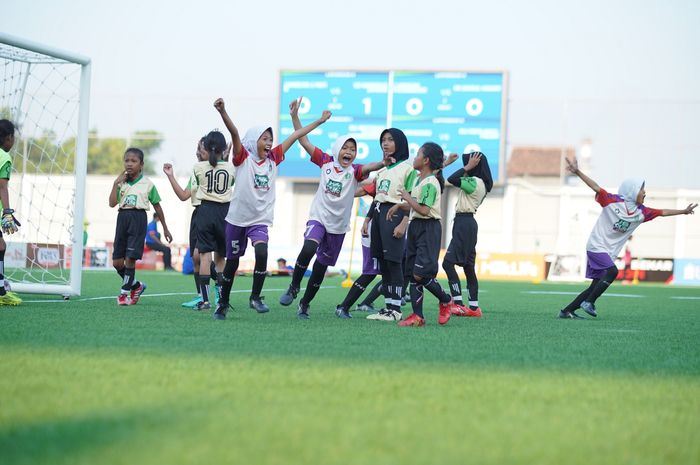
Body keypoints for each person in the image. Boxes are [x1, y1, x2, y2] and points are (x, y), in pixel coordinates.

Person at [213, 97, 331, 319]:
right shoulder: (242, 158)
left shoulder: (273, 159)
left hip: (259, 220)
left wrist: (319, 121)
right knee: (232, 264)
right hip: (237, 219)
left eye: (271, 139)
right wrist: (223, 112)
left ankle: (255, 297)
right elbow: (235, 134)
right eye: (264, 138)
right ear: (253, 141)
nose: (269, 142)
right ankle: (223, 302)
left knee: (262, 252)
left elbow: (296, 136)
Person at [279, 97, 386, 319]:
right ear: (337, 149)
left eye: (353, 149)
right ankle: (293, 286)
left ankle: (305, 304)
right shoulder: (325, 161)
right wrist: (294, 116)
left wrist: (385, 162)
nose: (349, 151)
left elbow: (371, 166)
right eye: (345, 147)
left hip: (338, 227)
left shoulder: (355, 171)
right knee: (309, 248)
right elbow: (304, 141)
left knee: (320, 269)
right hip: (318, 218)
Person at [558, 156, 697, 319]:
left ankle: (566, 311)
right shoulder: (611, 201)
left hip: (608, 253)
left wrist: (683, 211)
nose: (645, 192)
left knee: (594, 286)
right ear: (632, 190)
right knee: (613, 271)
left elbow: (662, 212)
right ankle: (589, 303)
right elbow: (596, 187)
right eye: (641, 189)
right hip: (596, 246)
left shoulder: (642, 212)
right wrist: (578, 172)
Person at [385, 142, 458, 326]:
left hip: (428, 228)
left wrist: (407, 198)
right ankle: (418, 316)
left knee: (420, 274)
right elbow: (415, 206)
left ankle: (446, 299)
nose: (414, 157)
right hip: (416, 226)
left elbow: (424, 210)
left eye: (418, 154)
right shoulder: (419, 180)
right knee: (412, 273)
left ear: (425, 160)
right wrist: (400, 205)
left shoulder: (431, 182)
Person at [364, 128, 416, 322]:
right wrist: (368, 220)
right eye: (383, 140)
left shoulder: (408, 169)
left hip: (394, 215)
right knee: (384, 263)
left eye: (390, 140)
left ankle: (396, 309)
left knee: (394, 262)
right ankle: (387, 307)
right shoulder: (383, 170)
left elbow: (411, 198)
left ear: (400, 143)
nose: (385, 144)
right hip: (378, 215)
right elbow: (377, 197)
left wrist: (404, 222)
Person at [109, 147, 172, 305]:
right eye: (127, 160)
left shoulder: (147, 184)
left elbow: (157, 207)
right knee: (117, 262)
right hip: (122, 217)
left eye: (133, 161)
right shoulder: (121, 182)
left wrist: (165, 228)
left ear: (141, 164)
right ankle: (136, 286)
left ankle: (124, 294)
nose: (129, 164)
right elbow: (111, 203)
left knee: (130, 258)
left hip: (138, 218)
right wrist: (115, 184)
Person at [163, 139, 216, 307]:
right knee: (196, 259)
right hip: (198, 215)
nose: (197, 152)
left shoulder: (219, 169)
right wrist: (171, 176)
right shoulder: (196, 172)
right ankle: (201, 295)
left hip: (212, 213)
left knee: (200, 255)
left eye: (201, 149)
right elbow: (184, 195)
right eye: (197, 149)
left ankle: (218, 288)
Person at [442, 151, 493, 317]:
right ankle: (473, 307)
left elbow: (452, 179)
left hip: (463, 223)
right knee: (469, 267)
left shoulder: (475, 182)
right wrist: (468, 167)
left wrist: (467, 167)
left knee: (447, 264)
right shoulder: (482, 183)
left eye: (470, 162)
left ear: (476, 166)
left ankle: (457, 303)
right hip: (469, 224)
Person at [190, 130, 235, 312]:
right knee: (221, 257)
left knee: (204, 256)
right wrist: (226, 157)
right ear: (224, 149)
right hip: (225, 212)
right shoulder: (231, 168)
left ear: (206, 149)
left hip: (205, 210)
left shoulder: (198, 167)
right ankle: (220, 300)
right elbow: (231, 184)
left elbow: (199, 182)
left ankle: (205, 300)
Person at [0, 119, 22, 306]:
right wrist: (7, 212)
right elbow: (2, 187)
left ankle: (1, 290)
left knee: (0, 246)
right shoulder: (4, 157)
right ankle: (1, 293)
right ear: (8, 138)